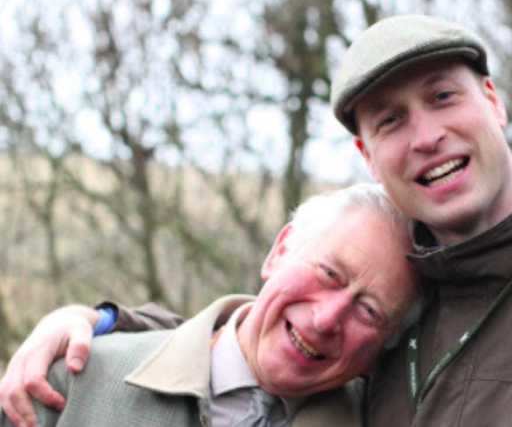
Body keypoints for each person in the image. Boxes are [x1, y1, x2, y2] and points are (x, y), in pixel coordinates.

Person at [3, 14, 512, 426]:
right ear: (368, 155)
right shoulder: (405, 306)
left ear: (494, 101)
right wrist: (96, 328)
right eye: (392, 120)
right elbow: (252, 352)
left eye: (443, 97)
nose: (425, 135)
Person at [0, 183, 419, 427]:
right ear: (281, 250)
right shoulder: (76, 384)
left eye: (369, 311)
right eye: (329, 273)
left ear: (384, 346)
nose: (327, 319)